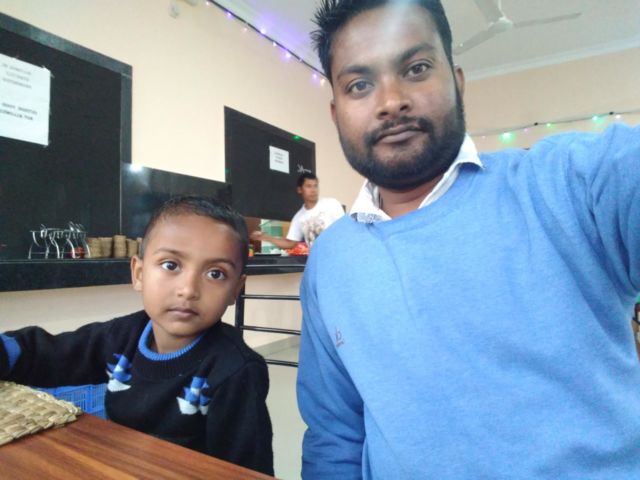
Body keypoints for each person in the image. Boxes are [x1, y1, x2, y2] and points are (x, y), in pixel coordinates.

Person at [296, 1, 640, 478]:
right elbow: (334, 433)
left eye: (416, 68)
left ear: (457, 82)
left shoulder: (563, 184)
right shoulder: (330, 260)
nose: (391, 101)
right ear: (336, 114)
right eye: (359, 85)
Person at [0, 195, 274, 475]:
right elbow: (50, 353)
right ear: (139, 273)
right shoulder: (122, 336)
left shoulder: (236, 371)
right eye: (171, 265)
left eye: (215, 274)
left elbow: (246, 471)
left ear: (235, 289)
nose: (189, 289)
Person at [250, 172, 344, 249]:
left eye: (315, 186)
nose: (313, 190)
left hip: (340, 256)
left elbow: (345, 228)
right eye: (308, 186)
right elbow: (290, 243)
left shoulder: (332, 204)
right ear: (299, 190)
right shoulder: (299, 217)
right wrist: (265, 237)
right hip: (319, 261)